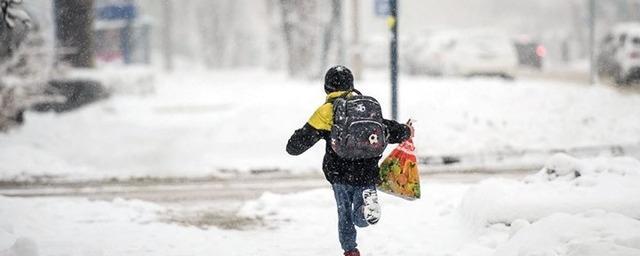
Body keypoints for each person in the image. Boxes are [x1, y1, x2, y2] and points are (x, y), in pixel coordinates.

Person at [286, 65, 413, 256]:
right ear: (351, 85)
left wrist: (298, 138)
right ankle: (364, 211)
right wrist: (407, 130)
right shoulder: (365, 107)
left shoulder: (326, 112)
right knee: (362, 213)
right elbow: (387, 128)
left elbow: (295, 146)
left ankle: (350, 250)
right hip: (368, 171)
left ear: (327, 88)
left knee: (344, 214)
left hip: (339, 173)